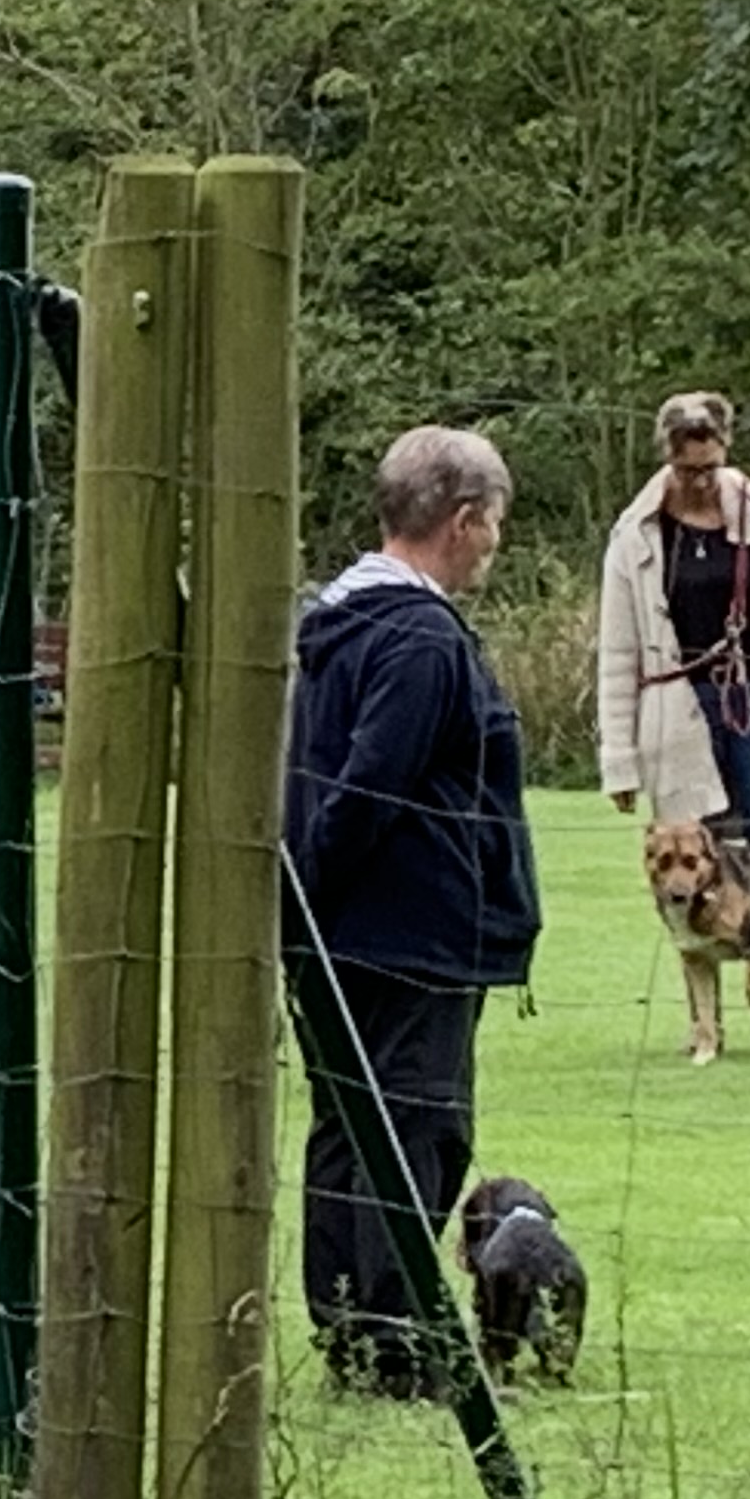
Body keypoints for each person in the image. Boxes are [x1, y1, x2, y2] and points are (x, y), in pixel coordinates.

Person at [284, 427, 544, 1398]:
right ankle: (395, 1345)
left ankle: (355, 1334)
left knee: (350, 1129)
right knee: (414, 1132)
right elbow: (368, 790)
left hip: (344, 932)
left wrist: (301, 911)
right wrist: (315, 896)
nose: (495, 544)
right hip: (406, 934)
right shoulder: (421, 640)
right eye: (495, 524)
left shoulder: (338, 624)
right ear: (465, 519)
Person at [596, 389, 750, 855]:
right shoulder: (634, 535)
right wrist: (619, 760)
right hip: (676, 708)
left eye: (710, 468)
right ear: (667, 458)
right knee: (695, 852)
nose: (701, 481)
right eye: (688, 470)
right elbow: (618, 655)